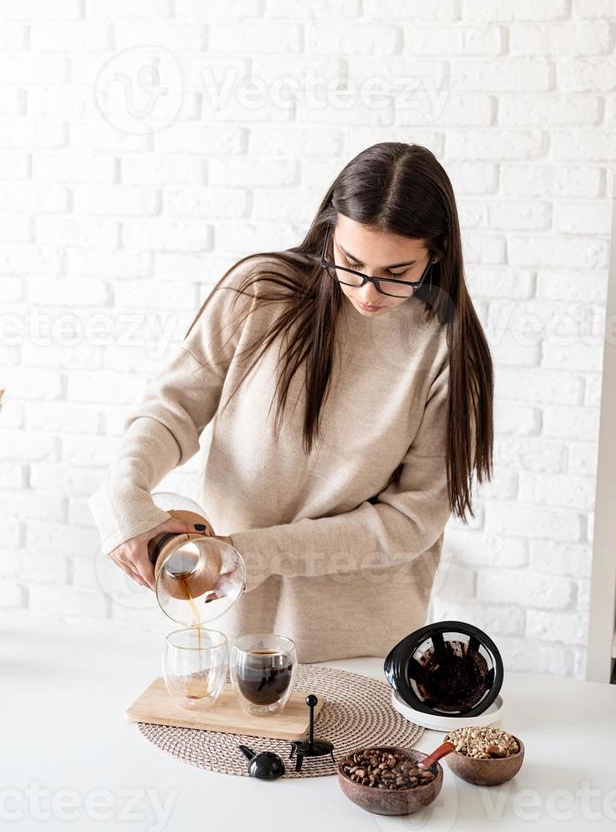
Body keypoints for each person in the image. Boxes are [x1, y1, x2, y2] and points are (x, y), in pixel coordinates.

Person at [89, 142, 494, 661]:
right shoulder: (262, 292)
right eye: (351, 262)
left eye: (395, 273)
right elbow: (174, 409)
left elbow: (410, 521)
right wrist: (125, 495)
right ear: (329, 230)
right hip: (228, 616)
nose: (368, 292)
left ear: (435, 252)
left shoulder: (445, 350)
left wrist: (253, 553)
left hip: (358, 638)